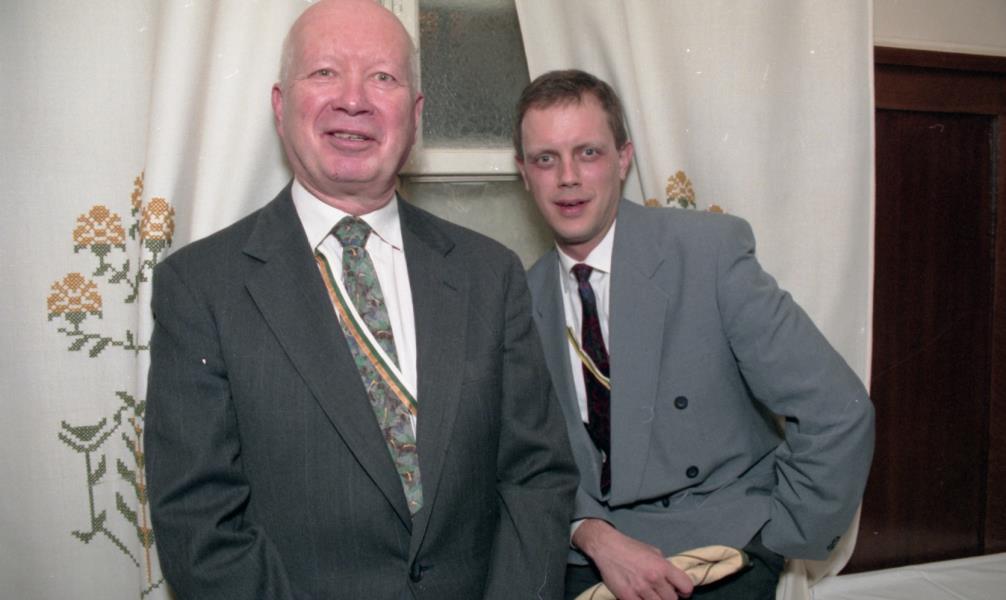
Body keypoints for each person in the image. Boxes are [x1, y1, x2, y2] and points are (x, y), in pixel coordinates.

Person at [144, 2, 578, 598]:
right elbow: (200, 524)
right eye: (325, 72)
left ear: (415, 115)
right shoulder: (200, 287)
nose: (354, 99)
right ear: (280, 105)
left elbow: (537, 476)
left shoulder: (489, 274)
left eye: (383, 77)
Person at [514, 69, 875, 600]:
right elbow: (534, 459)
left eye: (588, 153)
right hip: (593, 552)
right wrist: (591, 533)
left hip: (721, 544)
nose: (567, 177)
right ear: (524, 173)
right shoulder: (521, 298)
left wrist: (776, 541)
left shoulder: (708, 253)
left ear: (624, 159)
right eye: (546, 159)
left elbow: (838, 411)